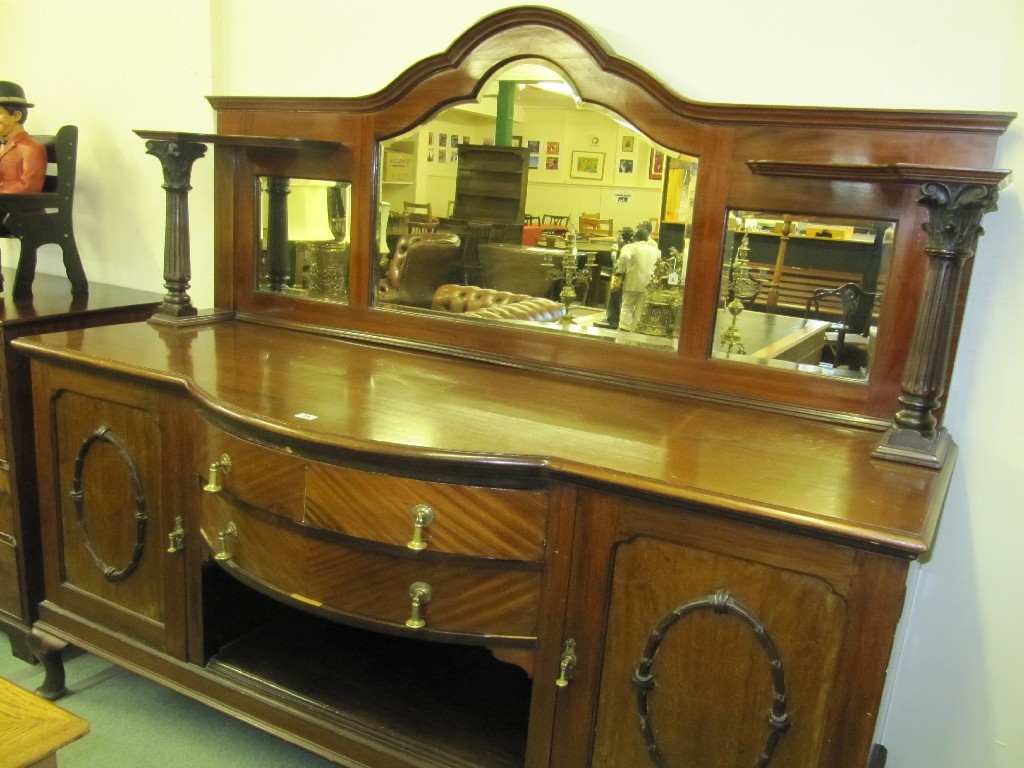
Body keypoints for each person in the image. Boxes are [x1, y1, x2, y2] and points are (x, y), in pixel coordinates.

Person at [0, 81, 46, 194]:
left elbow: (28, 186)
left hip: (17, 208)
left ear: (16, 115)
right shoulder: (2, 146)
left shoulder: (31, 148)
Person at [614, 221, 660, 332]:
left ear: (635, 237)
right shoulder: (656, 251)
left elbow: (624, 258)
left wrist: (620, 271)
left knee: (627, 305)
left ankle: (624, 328)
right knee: (641, 307)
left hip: (631, 281)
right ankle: (636, 328)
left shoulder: (629, 247)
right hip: (648, 284)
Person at [596, 226, 633, 329]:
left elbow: (618, 261)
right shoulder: (621, 246)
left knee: (616, 296)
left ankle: (614, 318)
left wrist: (615, 252)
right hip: (618, 273)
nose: (618, 237)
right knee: (614, 296)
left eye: (620, 235)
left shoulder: (626, 247)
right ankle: (611, 316)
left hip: (620, 274)